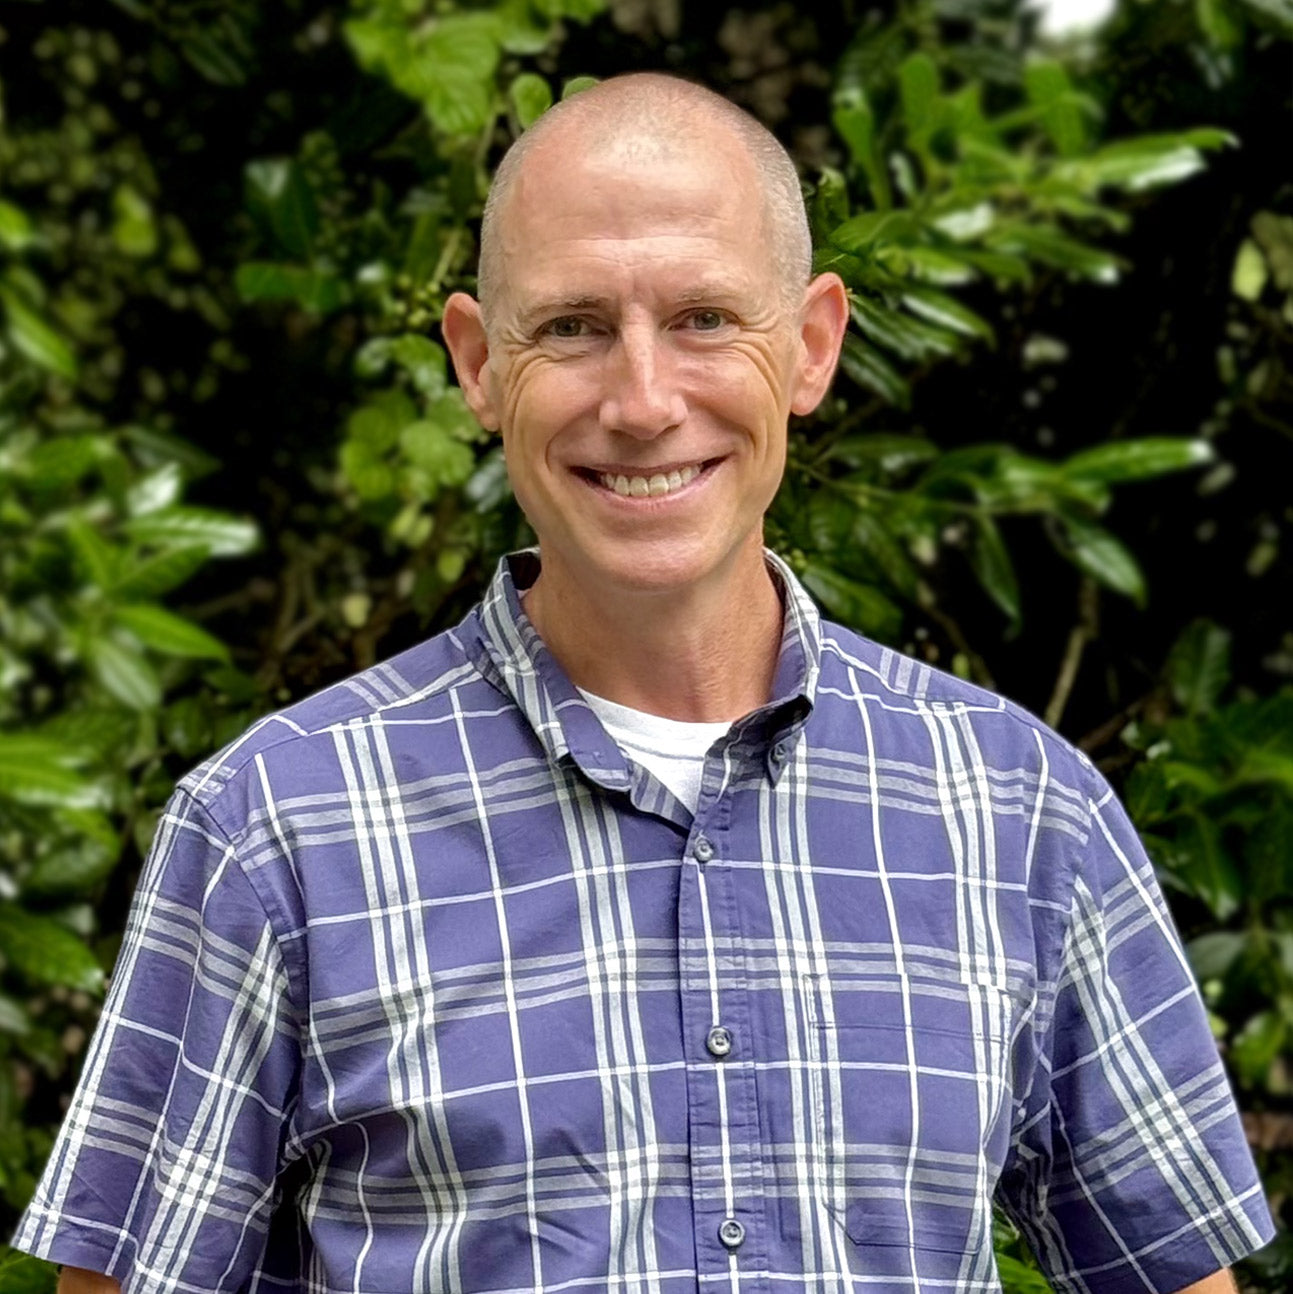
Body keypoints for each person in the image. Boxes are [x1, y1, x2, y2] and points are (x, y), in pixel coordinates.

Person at [16, 73, 1273, 1294]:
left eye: (705, 319)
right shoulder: (273, 829)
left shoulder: (1021, 809)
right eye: (571, 327)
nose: (642, 398)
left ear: (813, 346)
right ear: (475, 362)